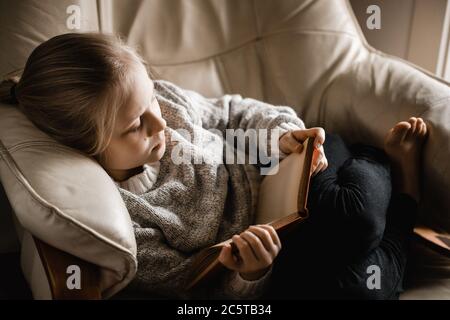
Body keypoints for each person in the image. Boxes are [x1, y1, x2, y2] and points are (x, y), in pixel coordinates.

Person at [0, 33, 427, 300]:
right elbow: (196, 292)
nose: (160, 121)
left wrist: (280, 134)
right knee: (350, 289)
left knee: (348, 213)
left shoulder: (160, 103)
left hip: (296, 170)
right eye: (136, 126)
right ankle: (400, 207)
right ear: (87, 148)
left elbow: (232, 112)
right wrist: (251, 273)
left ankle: (381, 164)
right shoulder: (127, 223)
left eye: (151, 100)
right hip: (278, 243)